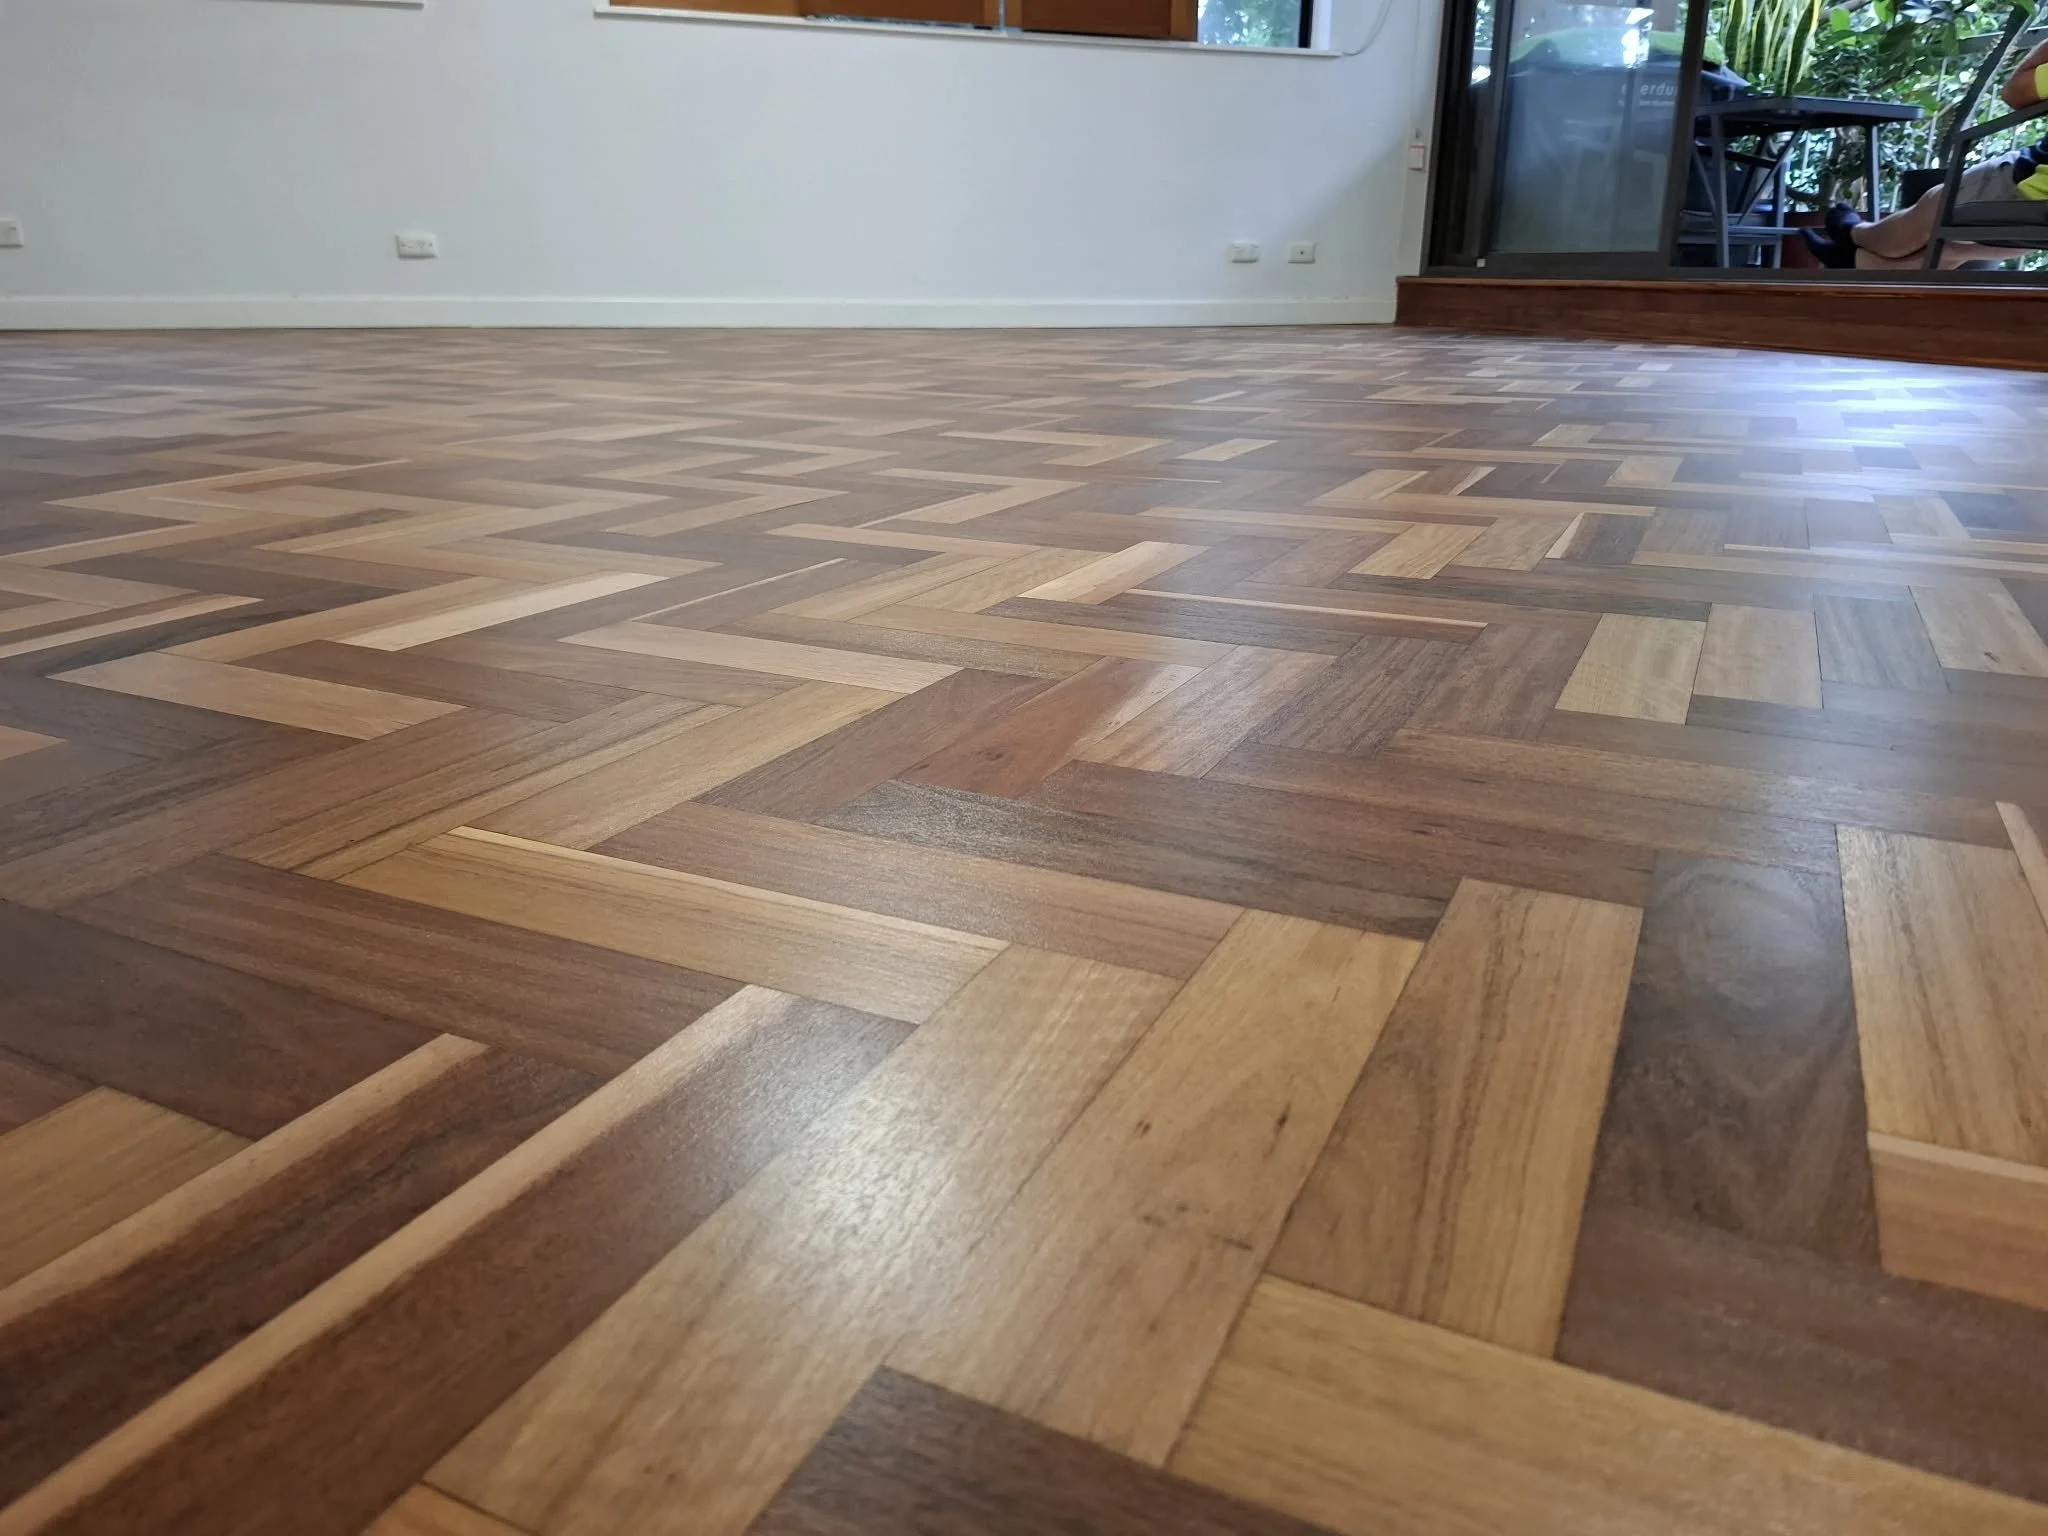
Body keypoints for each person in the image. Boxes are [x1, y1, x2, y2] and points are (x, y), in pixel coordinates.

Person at [1803, 33, 2048, 269]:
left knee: (1936, 204)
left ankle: (1855, 234)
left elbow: (2015, 92)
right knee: (1954, 244)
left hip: (2035, 190)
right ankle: (1859, 261)